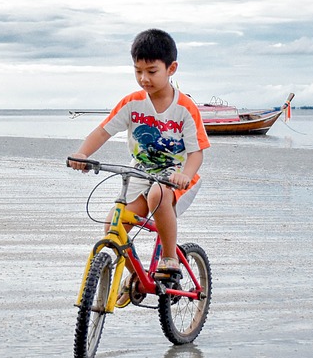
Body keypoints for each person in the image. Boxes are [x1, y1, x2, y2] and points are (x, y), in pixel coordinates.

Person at [68, 28, 209, 277]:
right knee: (114, 222)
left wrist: (185, 175)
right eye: (138, 70)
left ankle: (169, 257)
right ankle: (136, 276)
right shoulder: (132, 103)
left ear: (171, 69)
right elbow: (102, 132)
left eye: (152, 71)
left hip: (177, 177)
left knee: (158, 195)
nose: (144, 78)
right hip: (141, 173)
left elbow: (196, 153)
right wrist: (82, 154)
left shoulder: (185, 108)